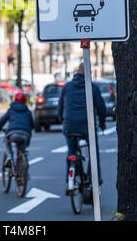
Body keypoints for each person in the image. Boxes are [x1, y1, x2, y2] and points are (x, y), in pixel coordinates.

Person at [58, 62, 106, 195]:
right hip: (87, 126)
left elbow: (60, 107)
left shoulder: (67, 87)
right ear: (88, 73)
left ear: (76, 71)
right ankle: (94, 178)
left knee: (71, 152)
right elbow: (101, 108)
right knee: (93, 152)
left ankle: (69, 182)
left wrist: (62, 120)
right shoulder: (92, 87)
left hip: (69, 125)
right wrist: (102, 123)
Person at [0, 92, 34, 172]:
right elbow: (32, 125)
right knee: (23, 149)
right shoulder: (28, 111)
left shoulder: (11, 110)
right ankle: (24, 159)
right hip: (25, 134)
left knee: (7, 142)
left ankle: (10, 157)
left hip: (12, 133)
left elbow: (3, 120)